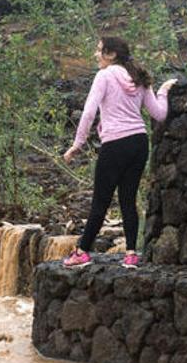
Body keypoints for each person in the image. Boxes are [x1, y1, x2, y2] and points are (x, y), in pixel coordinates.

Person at [62, 37, 177, 269]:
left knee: (100, 201)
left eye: (98, 51)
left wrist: (78, 143)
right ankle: (131, 255)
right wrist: (163, 90)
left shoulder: (104, 76)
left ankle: (82, 252)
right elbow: (159, 114)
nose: (96, 55)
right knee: (128, 199)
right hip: (139, 143)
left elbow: (88, 112)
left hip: (115, 144)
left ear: (111, 54)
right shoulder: (139, 78)